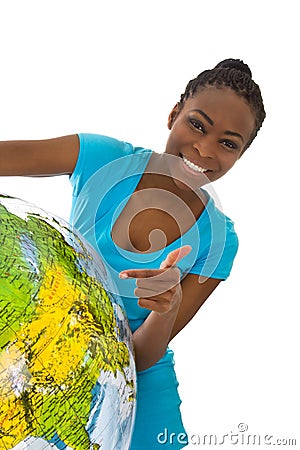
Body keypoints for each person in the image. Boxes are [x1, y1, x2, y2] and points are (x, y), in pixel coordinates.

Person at [0, 58, 265, 449]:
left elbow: (139, 357)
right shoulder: (100, 158)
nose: (204, 150)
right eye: (197, 124)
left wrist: (166, 307)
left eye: (228, 143)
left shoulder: (219, 241)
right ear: (174, 114)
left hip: (138, 396)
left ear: (240, 154)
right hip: (51, 363)